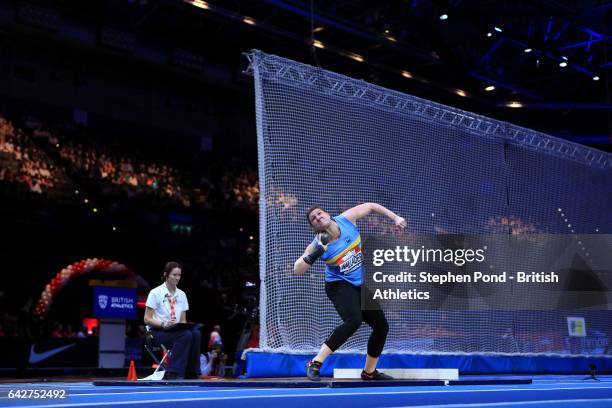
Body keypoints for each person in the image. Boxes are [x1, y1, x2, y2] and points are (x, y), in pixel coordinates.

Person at [294, 203, 407, 381]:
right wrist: (316, 253)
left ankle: (369, 372)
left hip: (359, 284)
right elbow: (297, 269)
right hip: (338, 286)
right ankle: (315, 363)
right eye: (313, 219)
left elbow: (370, 206)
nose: (317, 217)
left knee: (381, 326)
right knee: (354, 320)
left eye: (319, 213)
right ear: (314, 227)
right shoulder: (318, 243)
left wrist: (395, 218)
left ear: (327, 213)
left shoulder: (346, 219)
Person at [144, 261, 202, 380]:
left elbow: (183, 320)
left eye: (179, 275)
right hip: (157, 332)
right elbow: (147, 319)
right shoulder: (155, 293)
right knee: (185, 335)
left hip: (175, 330)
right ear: (166, 275)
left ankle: (191, 372)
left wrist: (185, 325)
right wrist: (163, 324)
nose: (177, 278)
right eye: (174, 275)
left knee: (195, 333)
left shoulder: (182, 295)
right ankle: (172, 372)